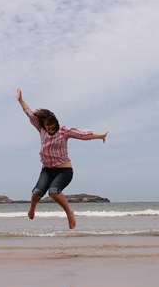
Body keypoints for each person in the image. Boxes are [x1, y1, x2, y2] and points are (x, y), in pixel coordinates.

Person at [16, 88, 108, 229]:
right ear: (44, 126)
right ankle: (32, 209)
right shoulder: (41, 130)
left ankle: (69, 213)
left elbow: (82, 134)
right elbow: (30, 114)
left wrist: (100, 135)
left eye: (52, 124)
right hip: (47, 169)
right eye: (48, 125)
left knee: (53, 192)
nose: (51, 127)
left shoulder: (63, 131)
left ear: (55, 122)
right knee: (36, 193)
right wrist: (20, 100)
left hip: (64, 170)